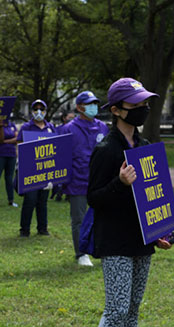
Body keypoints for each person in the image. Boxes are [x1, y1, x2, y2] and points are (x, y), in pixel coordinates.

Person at [87, 77, 174, 327]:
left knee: (133, 309)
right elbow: (93, 198)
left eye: (144, 104)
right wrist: (120, 183)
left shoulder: (145, 145)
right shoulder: (105, 149)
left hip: (142, 242)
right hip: (115, 243)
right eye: (136, 105)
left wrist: (162, 232)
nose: (142, 109)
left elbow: (153, 198)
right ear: (116, 110)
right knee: (116, 310)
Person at [58, 91, 109, 267]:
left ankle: (101, 249)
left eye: (95, 103)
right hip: (77, 181)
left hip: (100, 181)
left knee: (102, 217)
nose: (93, 107)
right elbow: (60, 156)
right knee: (79, 218)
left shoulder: (103, 127)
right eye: (89, 104)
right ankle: (81, 253)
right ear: (79, 107)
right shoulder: (68, 129)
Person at [17, 99, 55, 237]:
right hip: (30, 169)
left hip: (45, 169)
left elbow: (55, 146)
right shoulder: (26, 127)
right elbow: (19, 146)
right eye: (36, 109)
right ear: (32, 111)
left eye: (41, 109)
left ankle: (42, 228)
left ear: (45, 111)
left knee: (42, 201)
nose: (39, 112)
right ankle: (24, 229)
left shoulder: (50, 127)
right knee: (30, 200)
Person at [0, 118, 18, 208]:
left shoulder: (12, 124)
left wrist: (4, 142)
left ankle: (11, 200)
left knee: (9, 178)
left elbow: (17, 139)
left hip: (11, 154)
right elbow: (0, 138)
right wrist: (1, 127)